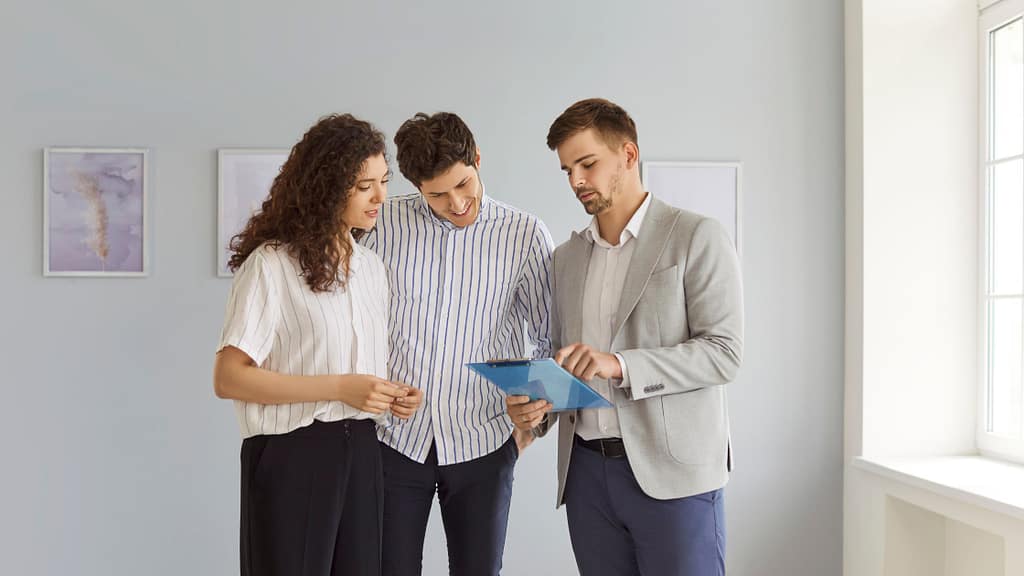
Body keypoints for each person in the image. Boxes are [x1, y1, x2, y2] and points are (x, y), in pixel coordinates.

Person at [507, 98, 744, 576]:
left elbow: (724, 353)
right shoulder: (565, 259)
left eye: (587, 164)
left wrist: (620, 364)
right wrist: (537, 411)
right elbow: (565, 360)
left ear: (628, 154)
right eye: (567, 170)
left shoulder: (696, 236)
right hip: (587, 479)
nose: (576, 180)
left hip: (674, 477)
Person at [213, 113, 423, 576]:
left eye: (383, 182)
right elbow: (228, 378)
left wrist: (388, 394)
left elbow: (352, 368)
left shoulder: (371, 270)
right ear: (327, 186)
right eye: (364, 186)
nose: (380, 197)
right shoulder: (271, 265)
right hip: (292, 454)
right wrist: (340, 388)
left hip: (364, 451)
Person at [359, 111, 553, 576]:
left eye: (463, 184)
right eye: (438, 195)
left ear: (477, 159)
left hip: (483, 440)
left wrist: (534, 422)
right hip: (392, 441)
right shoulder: (379, 226)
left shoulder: (525, 235)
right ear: (415, 186)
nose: (457, 203)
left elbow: (549, 337)